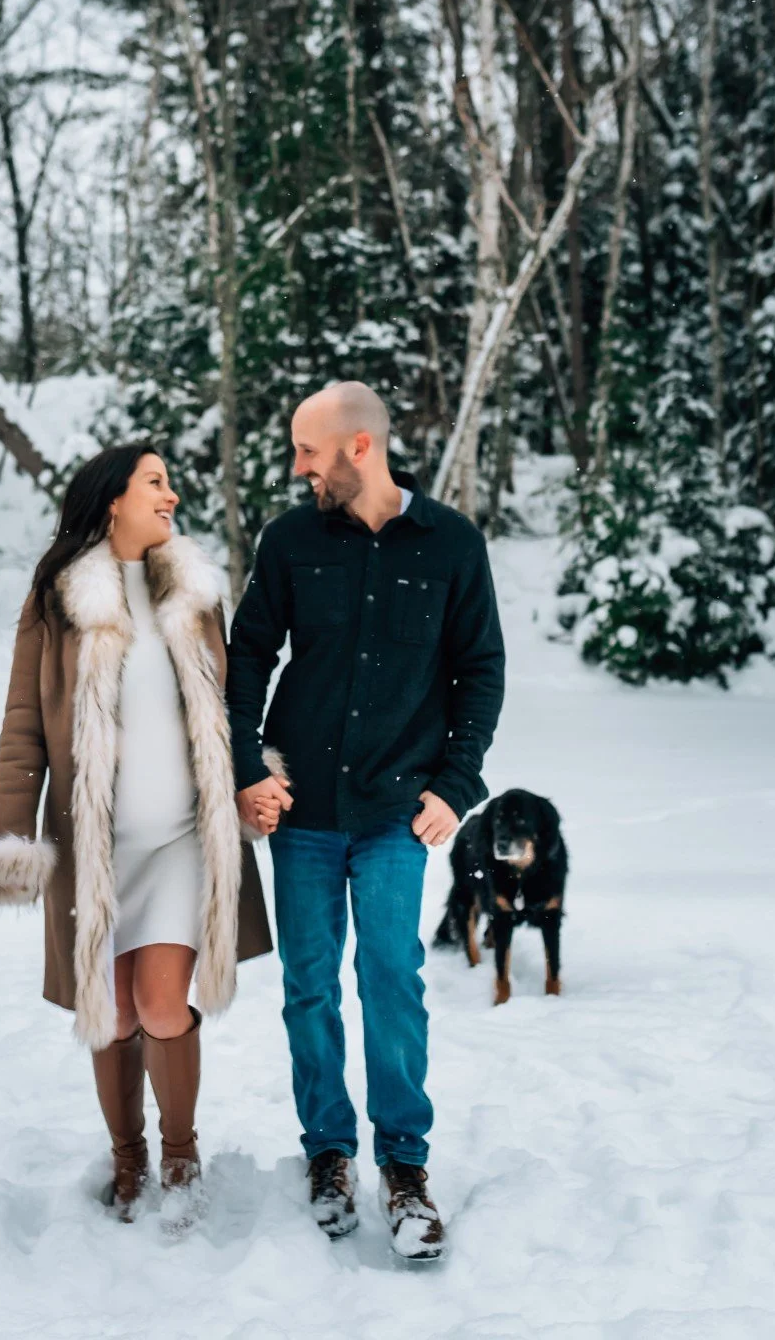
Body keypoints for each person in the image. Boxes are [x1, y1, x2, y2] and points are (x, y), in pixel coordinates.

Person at [0, 443, 272, 1234]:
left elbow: (228, 706)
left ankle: (179, 1153)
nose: (172, 494)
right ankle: (127, 1156)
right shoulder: (58, 598)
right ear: (112, 500)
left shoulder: (194, 591)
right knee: (116, 1014)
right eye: (156, 482)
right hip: (94, 847)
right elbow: (22, 727)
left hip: (179, 840)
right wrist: (9, 837)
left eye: (170, 481)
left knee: (162, 1003)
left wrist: (249, 779)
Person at [227, 383, 505, 1259]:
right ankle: (328, 1154)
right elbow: (244, 663)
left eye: (308, 451)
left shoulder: (452, 543)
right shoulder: (290, 540)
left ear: (357, 449)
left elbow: (481, 670)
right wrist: (246, 771)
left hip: (397, 809)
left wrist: (456, 785)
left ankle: (406, 1168)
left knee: (392, 978)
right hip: (303, 807)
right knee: (309, 986)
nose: (297, 467)